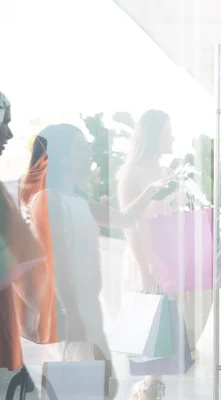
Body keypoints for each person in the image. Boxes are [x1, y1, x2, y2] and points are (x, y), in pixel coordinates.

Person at [23, 123, 169, 398]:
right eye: (80, 147)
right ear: (60, 156)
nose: (88, 152)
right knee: (82, 385)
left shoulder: (76, 198)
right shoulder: (47, 200)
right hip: (69, 308)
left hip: (88, 306)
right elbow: (54, 262)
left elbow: (123, 218)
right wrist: (71, 313)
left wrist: (150, 192)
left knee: (102, 384)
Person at [117, 110, 213, 399]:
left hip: (166, 258)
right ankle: (150, 387)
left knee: (164, 325)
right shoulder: (131, 174)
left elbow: (172, 219)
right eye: (167, 132)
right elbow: (130, 226)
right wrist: (146, 269)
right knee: (150, 327)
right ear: (153, 136)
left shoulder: (164, 173)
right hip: (144, 258)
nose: (172, 137)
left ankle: (152, 387)